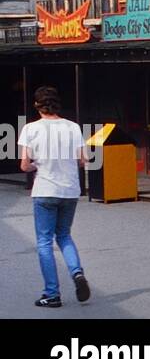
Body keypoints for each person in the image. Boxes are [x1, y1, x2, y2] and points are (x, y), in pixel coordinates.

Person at [18, 87, 90, 308]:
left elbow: (24, 165)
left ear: (37, 106)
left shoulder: (30, 129)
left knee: (44, 242)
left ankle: (52, 293)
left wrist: (37, 164)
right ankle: (77, 273)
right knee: (64, 235)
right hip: (69, 190)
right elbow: (83, 159)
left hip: (45, 190)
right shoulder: (73, 127)